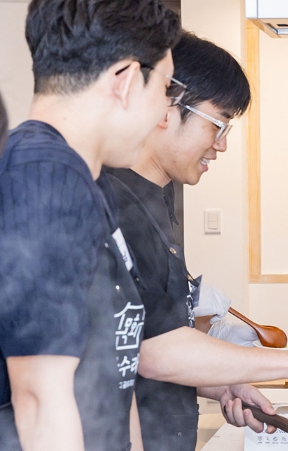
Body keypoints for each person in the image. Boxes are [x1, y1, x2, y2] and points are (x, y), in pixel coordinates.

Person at [105, 33, 288, 451]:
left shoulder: (158, 198)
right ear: (166, 105)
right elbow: (156, 352)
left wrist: (223, 384)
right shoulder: (114, 203)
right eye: (218, 123)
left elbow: (150, 340)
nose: (222, 144)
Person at [0, 1, 181, 450]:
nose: (164, 111)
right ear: (125, 80)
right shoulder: (45, 177)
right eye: (166, 88)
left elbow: (118, 371)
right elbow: (39, 398)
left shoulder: (87, 178)